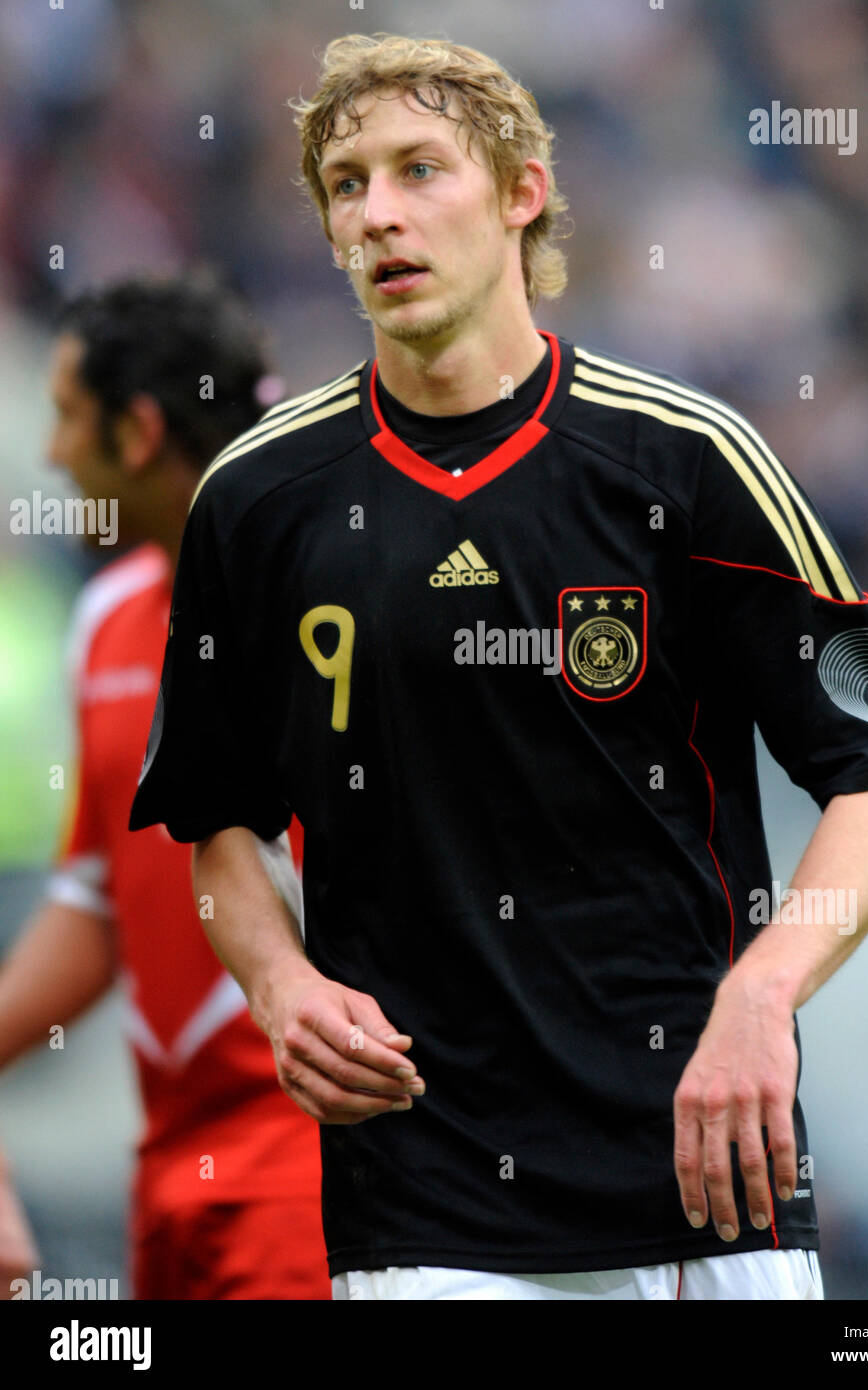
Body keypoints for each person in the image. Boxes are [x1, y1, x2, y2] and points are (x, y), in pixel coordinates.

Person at [129, 35, 868, 1301]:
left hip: (701, 1174)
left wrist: (761, 994)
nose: (378, 212)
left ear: (521, 192)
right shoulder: (257, 501)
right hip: (423, 1198)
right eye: (347, 184)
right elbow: (216, 823)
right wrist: (280, 982)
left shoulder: (687, 459)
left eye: (419, 169)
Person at [0, 276, 329, 1300]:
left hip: (315, 1177)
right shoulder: (105, 615)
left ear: (140, 431)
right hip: (169, 1178)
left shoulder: (337, 601)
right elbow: (98, 896)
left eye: (68, 416)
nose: (53, 452)